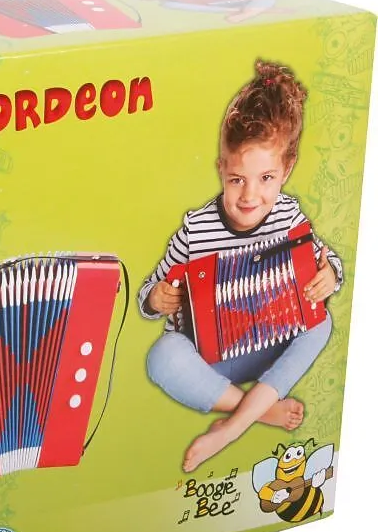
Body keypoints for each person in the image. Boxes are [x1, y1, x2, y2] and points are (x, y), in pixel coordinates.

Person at [139, 60, 342, 473]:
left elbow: (324, 258)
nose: (250, 196)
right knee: (162, 357)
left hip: (270, 345)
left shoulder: (289, 216)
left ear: (286, 169)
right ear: (221, 169)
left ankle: (231, 427)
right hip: (211, 359)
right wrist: (155, 299)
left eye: (266, 178)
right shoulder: (196, 230)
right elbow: (150, 291)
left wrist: (330, 274)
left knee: (320, 321)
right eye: (237, 179)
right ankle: (258, 409)